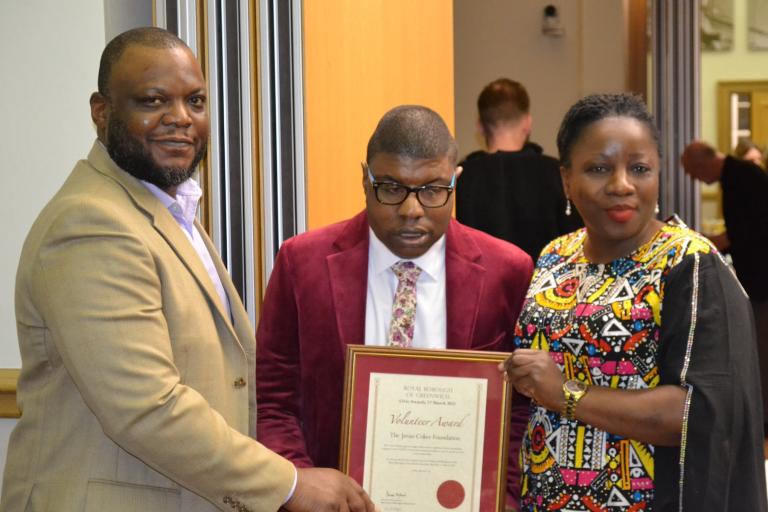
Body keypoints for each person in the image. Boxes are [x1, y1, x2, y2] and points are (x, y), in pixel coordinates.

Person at [1, 27, 374, 512]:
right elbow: (146, 406)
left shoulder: (164, 210)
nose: (179, 119)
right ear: (101, 112)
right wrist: (288, 484)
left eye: (195, 101)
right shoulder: (93, 223)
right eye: (153, 101)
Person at [256, 105, 534, 510]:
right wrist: (300, 483)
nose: (411, 210)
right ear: (364, 180)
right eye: (390, 188)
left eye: (433, 191)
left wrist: (501, 496)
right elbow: (274, 397)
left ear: (455, 182)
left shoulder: (506, 271)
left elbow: (520, 409)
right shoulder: (303, 263)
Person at [503, 93, 766, 510]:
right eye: (598, 168)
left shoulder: (690, 266)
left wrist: (566, 393)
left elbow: (701, 411)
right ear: (566, 180)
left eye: (639, 168)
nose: (622, 184)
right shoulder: (555, 257)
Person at [682, 139, 768, 429]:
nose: (695, 180)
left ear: (701, 163)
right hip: (756, 279)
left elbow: (749, 231)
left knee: (761, 348)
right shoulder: (736, 176)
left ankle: (762, 418)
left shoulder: (743, 176)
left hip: (761, 282)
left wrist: (704, 240)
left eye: (693, 173)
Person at [455, 78, 581, 260]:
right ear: (528, 123)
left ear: (480, 126)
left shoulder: (460, 177)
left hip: (481, 287)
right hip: (543, 285)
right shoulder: (557, 174)